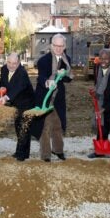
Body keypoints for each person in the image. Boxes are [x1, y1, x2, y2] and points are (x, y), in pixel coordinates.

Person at [32, 33, 73, 162]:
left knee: (59, 124)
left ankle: (58, 150)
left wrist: (64, 74)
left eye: (61, 46)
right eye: (56, 45)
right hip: (44, 96)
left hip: (58, 97)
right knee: (45, 126)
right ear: (51, 45)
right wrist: (48, 82)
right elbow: (41, 77)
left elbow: (67, 79)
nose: (58, 48)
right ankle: (45, 154)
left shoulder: (67, 60)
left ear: (64, 46)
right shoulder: (43, 60)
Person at [0, 53, 35, 161]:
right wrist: (2, 88)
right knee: (18, 126)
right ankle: (23, 152)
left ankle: (21, 154)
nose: (11, 65)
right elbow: (1, 82)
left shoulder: (22, 73)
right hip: (15, 102)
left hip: (26, 102)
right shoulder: (4, 69)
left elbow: (17, 88)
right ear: (6, 61)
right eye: (9, 62)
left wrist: (5, 98)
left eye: (14, 63)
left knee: (24, 127)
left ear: (19, 63)